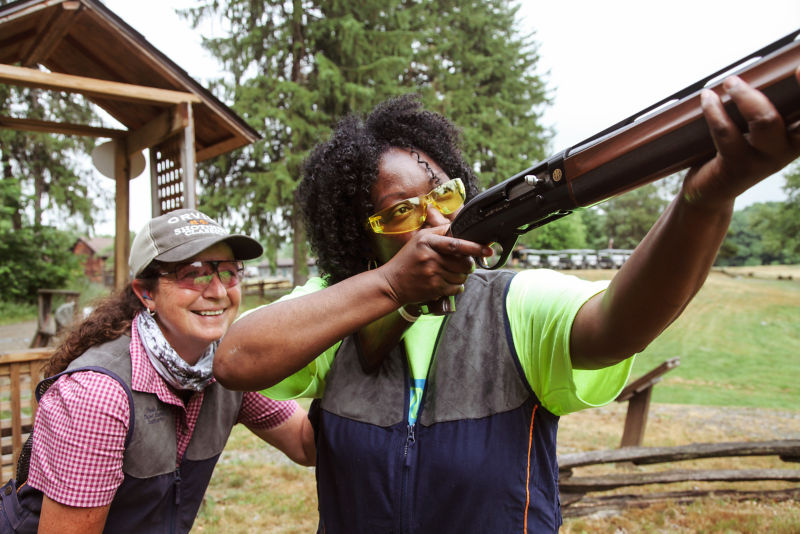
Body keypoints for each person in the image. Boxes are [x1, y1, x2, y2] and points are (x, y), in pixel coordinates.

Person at [214, 71, 800, 533]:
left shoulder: (515, 299)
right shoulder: (338, 305)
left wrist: (703, 200)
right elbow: (235, 359)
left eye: (444, 193)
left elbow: (619, 326)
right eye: (400, 212)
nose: (437, 220)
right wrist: (392, 288)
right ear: (356, 232)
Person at [19, 209, 315, 534]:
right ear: (147, 293)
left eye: (229, 273)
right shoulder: (98, 395)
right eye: (195, 273)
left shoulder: (226, 368)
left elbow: (305, 443)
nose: (218, 291)